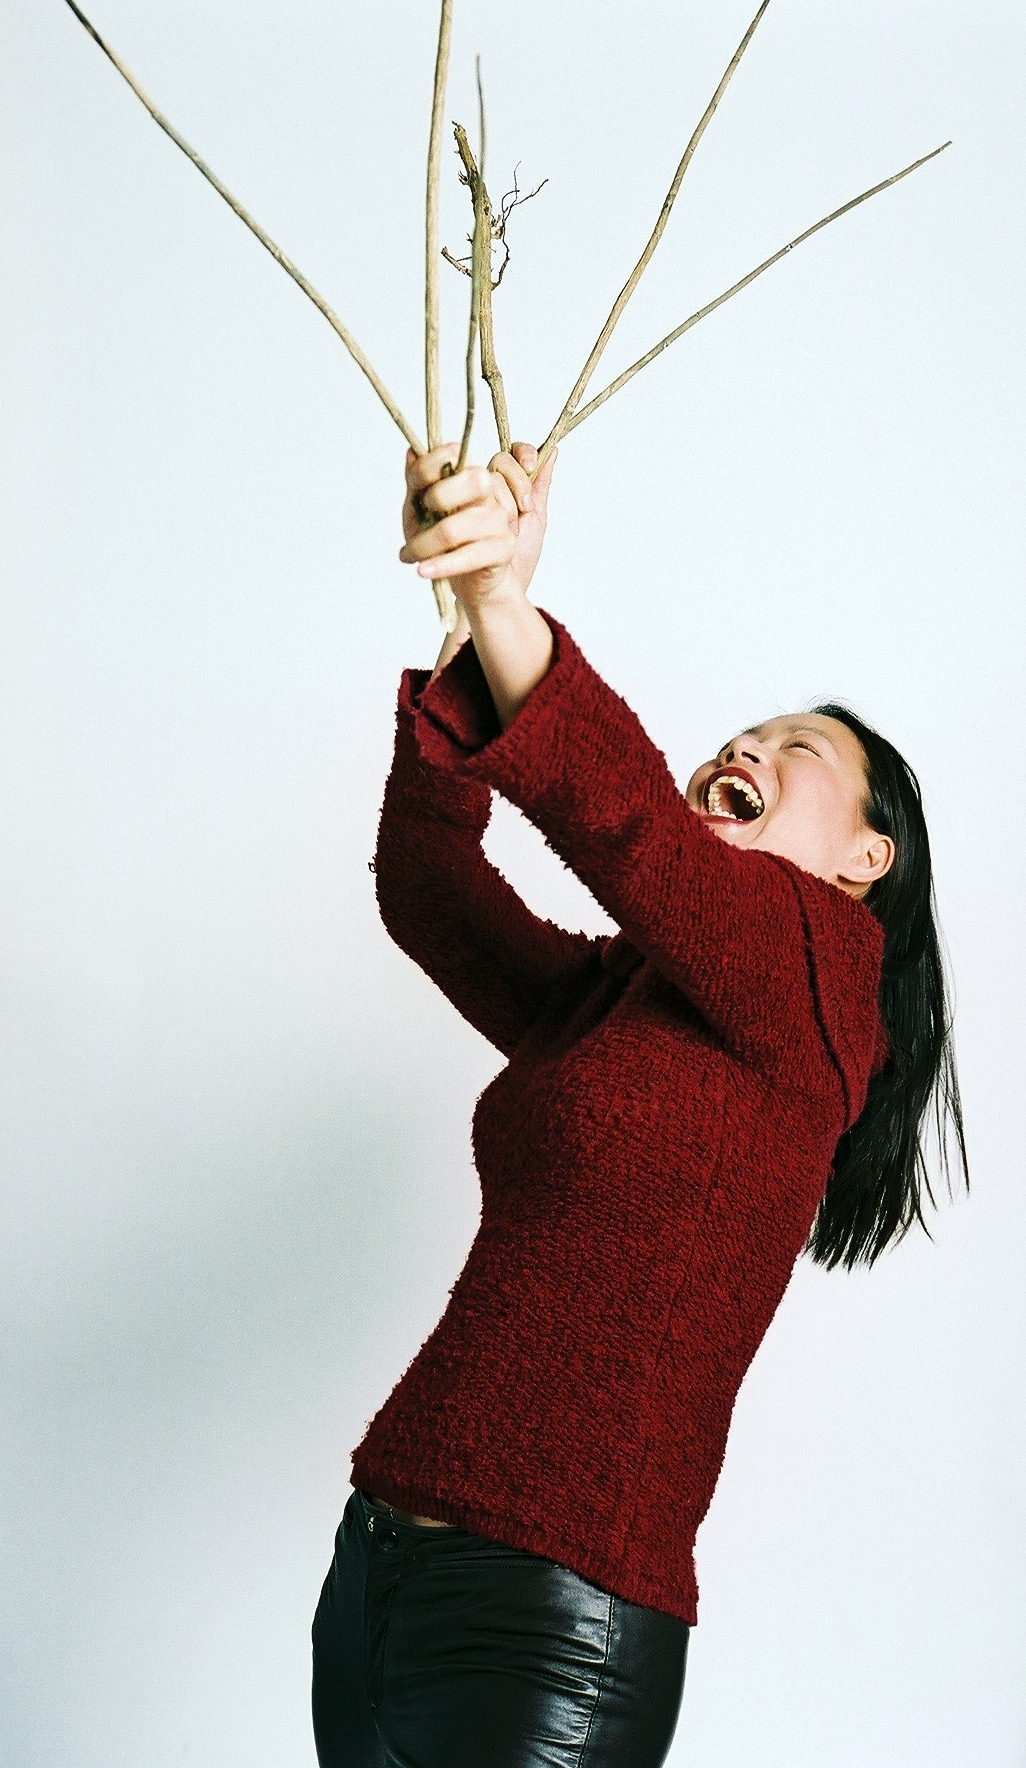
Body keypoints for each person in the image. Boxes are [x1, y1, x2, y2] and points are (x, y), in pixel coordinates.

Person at [310, 440, 968, 1768]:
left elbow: (630, 835)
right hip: (384, 1564)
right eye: (746, 731)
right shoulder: (621, 999)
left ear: (864, 858)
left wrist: (509, 607)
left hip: (554, 1620)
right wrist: (462, 635)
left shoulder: (824, 994)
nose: (747, 743)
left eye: (795, 751)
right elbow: (429, 895)